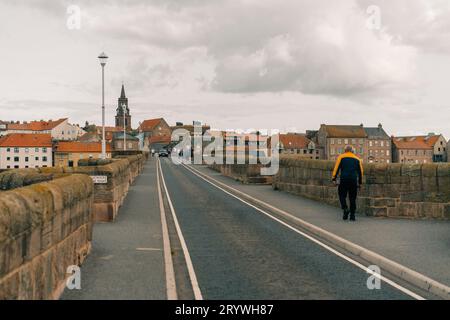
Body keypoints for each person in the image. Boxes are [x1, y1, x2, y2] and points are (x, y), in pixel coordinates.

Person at [332, 145, 363, 221]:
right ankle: (352, 215)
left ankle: (345, 208)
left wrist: (334, 178)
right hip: (353, 180)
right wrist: (360, 182)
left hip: (344, 179)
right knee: (352, 198)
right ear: (352, 151)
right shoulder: (357, 159)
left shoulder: (341, 157)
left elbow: (336, 168)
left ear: (345, 150)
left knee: (342, 195)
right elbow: (361, 172)